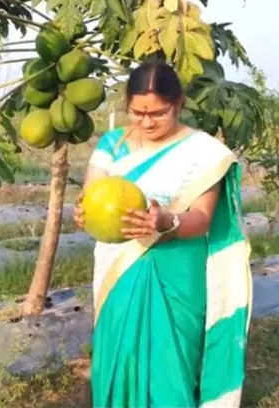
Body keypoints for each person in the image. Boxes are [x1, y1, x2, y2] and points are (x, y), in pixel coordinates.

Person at [73, 61, 253, 407]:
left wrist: (165, 223)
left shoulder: (202, 152)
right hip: (120, 268)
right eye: (137, 112)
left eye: (158, 113)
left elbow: (201, 217)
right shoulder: (112, 144)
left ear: (178, 103)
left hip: (178, 266)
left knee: (172, 363)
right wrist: (83, 213)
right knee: (119, 355)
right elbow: (92, 196)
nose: (146, 122)